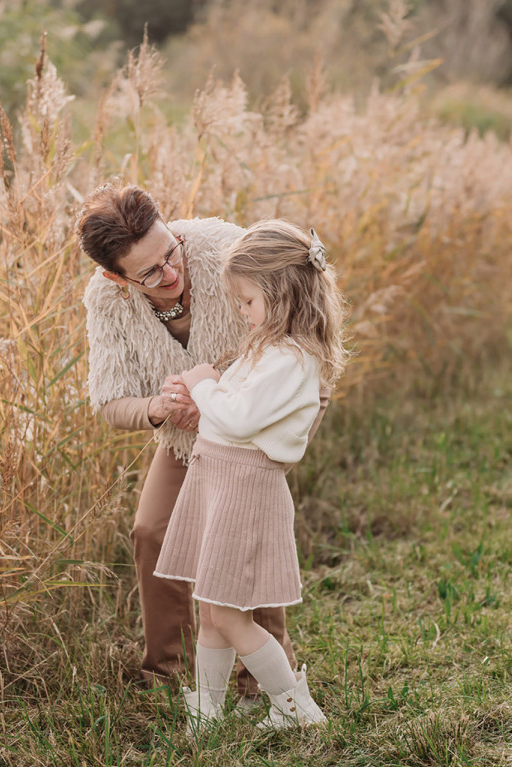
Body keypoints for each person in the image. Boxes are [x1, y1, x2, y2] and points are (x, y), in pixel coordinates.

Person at [77, 183, 328, 694]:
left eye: (170, 253)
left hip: (256, 434)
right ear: (115, 277)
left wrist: (270, 433)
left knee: (245, 539)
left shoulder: (225, 251)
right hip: (185, 439)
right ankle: (167, 672)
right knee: (151, 531)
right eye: (149, 273)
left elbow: (302, 331)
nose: (170, 273)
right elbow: (108, 400)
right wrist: (157, 407)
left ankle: (259, 681)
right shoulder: (106, 301)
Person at [154, 219, 347, 731]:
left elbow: (237, 417)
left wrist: (202, 387)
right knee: (213, 608)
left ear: (283, 295)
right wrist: (215, 382)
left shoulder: (290, 358)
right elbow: (237, 403)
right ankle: (209, 710)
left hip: (244, 486)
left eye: (248, 302)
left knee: (231, 615)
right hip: (219, 479)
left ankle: (295, 708)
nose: (242, 313)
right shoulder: (268, 347)